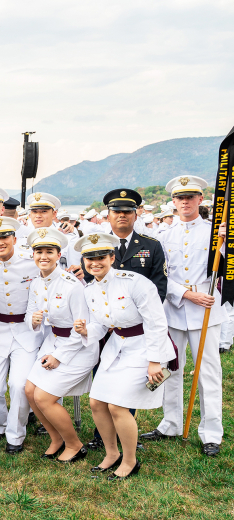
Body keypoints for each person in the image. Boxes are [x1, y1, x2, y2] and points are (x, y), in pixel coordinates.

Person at [74, 233, 175, 479]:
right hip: (116, 346)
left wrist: (154, 361)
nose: (94, 262)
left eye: (101, 257)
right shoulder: (90, 290)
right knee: (97, 402)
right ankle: (111, 454)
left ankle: (130, 460)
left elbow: (156, 322)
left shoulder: (135, 282)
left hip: (144, 346)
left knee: (118, 406)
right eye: (89, 258)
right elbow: (101, 324)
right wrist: (86, 330)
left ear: (112, 257)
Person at [140, 176, 225, 457]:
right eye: (180, 197)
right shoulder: (164, 236)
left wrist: (226, 241)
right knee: (172, 368)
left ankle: (211, 432)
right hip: (175, 308)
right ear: (173, 202)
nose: (185, 202)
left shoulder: (217, 232)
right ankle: (171, 423)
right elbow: (160, 276)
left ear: (201, 199)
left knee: (208, 372)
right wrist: (187, 295)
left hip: (206, 310)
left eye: (191, 196)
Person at [83, 188, 168, 450]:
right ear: (108, 215)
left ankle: (124, 432)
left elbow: (159, 286)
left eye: (127, 212)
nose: (122, 216)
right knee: (103, 379)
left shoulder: (150, 245)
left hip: (137, 326)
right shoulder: (96, 244)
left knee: (126, 387)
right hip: (104, 326)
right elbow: (91, 281)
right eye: (116, 212)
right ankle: (102, 436)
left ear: (136, 214)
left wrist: (134, 320)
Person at [23, 227, 98, 462]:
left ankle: (75, 445)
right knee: (29, 391)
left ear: (58, 255)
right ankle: (56, 439)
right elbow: (30, 313)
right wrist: (33, 321)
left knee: (44, 397)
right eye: (38, 252)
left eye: (49, 252)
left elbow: (81, 329)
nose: (43, 257)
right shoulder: (37, 282)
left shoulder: (71, 285)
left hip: (79, 346)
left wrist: (59, 357)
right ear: (33, 255)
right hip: (53, 340)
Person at [0, 217, 41, 454]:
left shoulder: (32, 263)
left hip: (27, 332)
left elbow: (56, 280)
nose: (0, 242)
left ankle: (15, 435)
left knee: (19, 385)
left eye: (4, 237)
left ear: (14, 238)